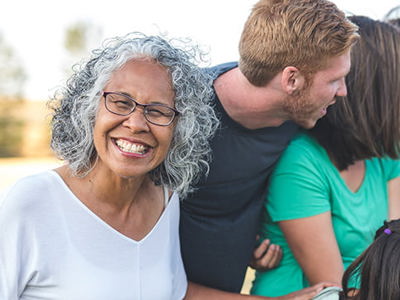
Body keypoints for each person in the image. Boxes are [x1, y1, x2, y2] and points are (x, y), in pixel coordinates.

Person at [0, 32, 221, 299]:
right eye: (120, 102)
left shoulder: (165, 201)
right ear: (90, 108)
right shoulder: (33, 202)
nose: (136, 123)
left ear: (180, 129)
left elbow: (176, 294)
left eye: (158, 111)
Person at [180, 0, 359, 296]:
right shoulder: (179, 117)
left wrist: (249, 239)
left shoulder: (301, 113)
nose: (343, 91)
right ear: (292, 79)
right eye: (335, 80)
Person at [251, 15, 400, 297]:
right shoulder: (300, 163)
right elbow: (338, 288)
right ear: (377, 92)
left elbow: (394, 250)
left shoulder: (387, 154)